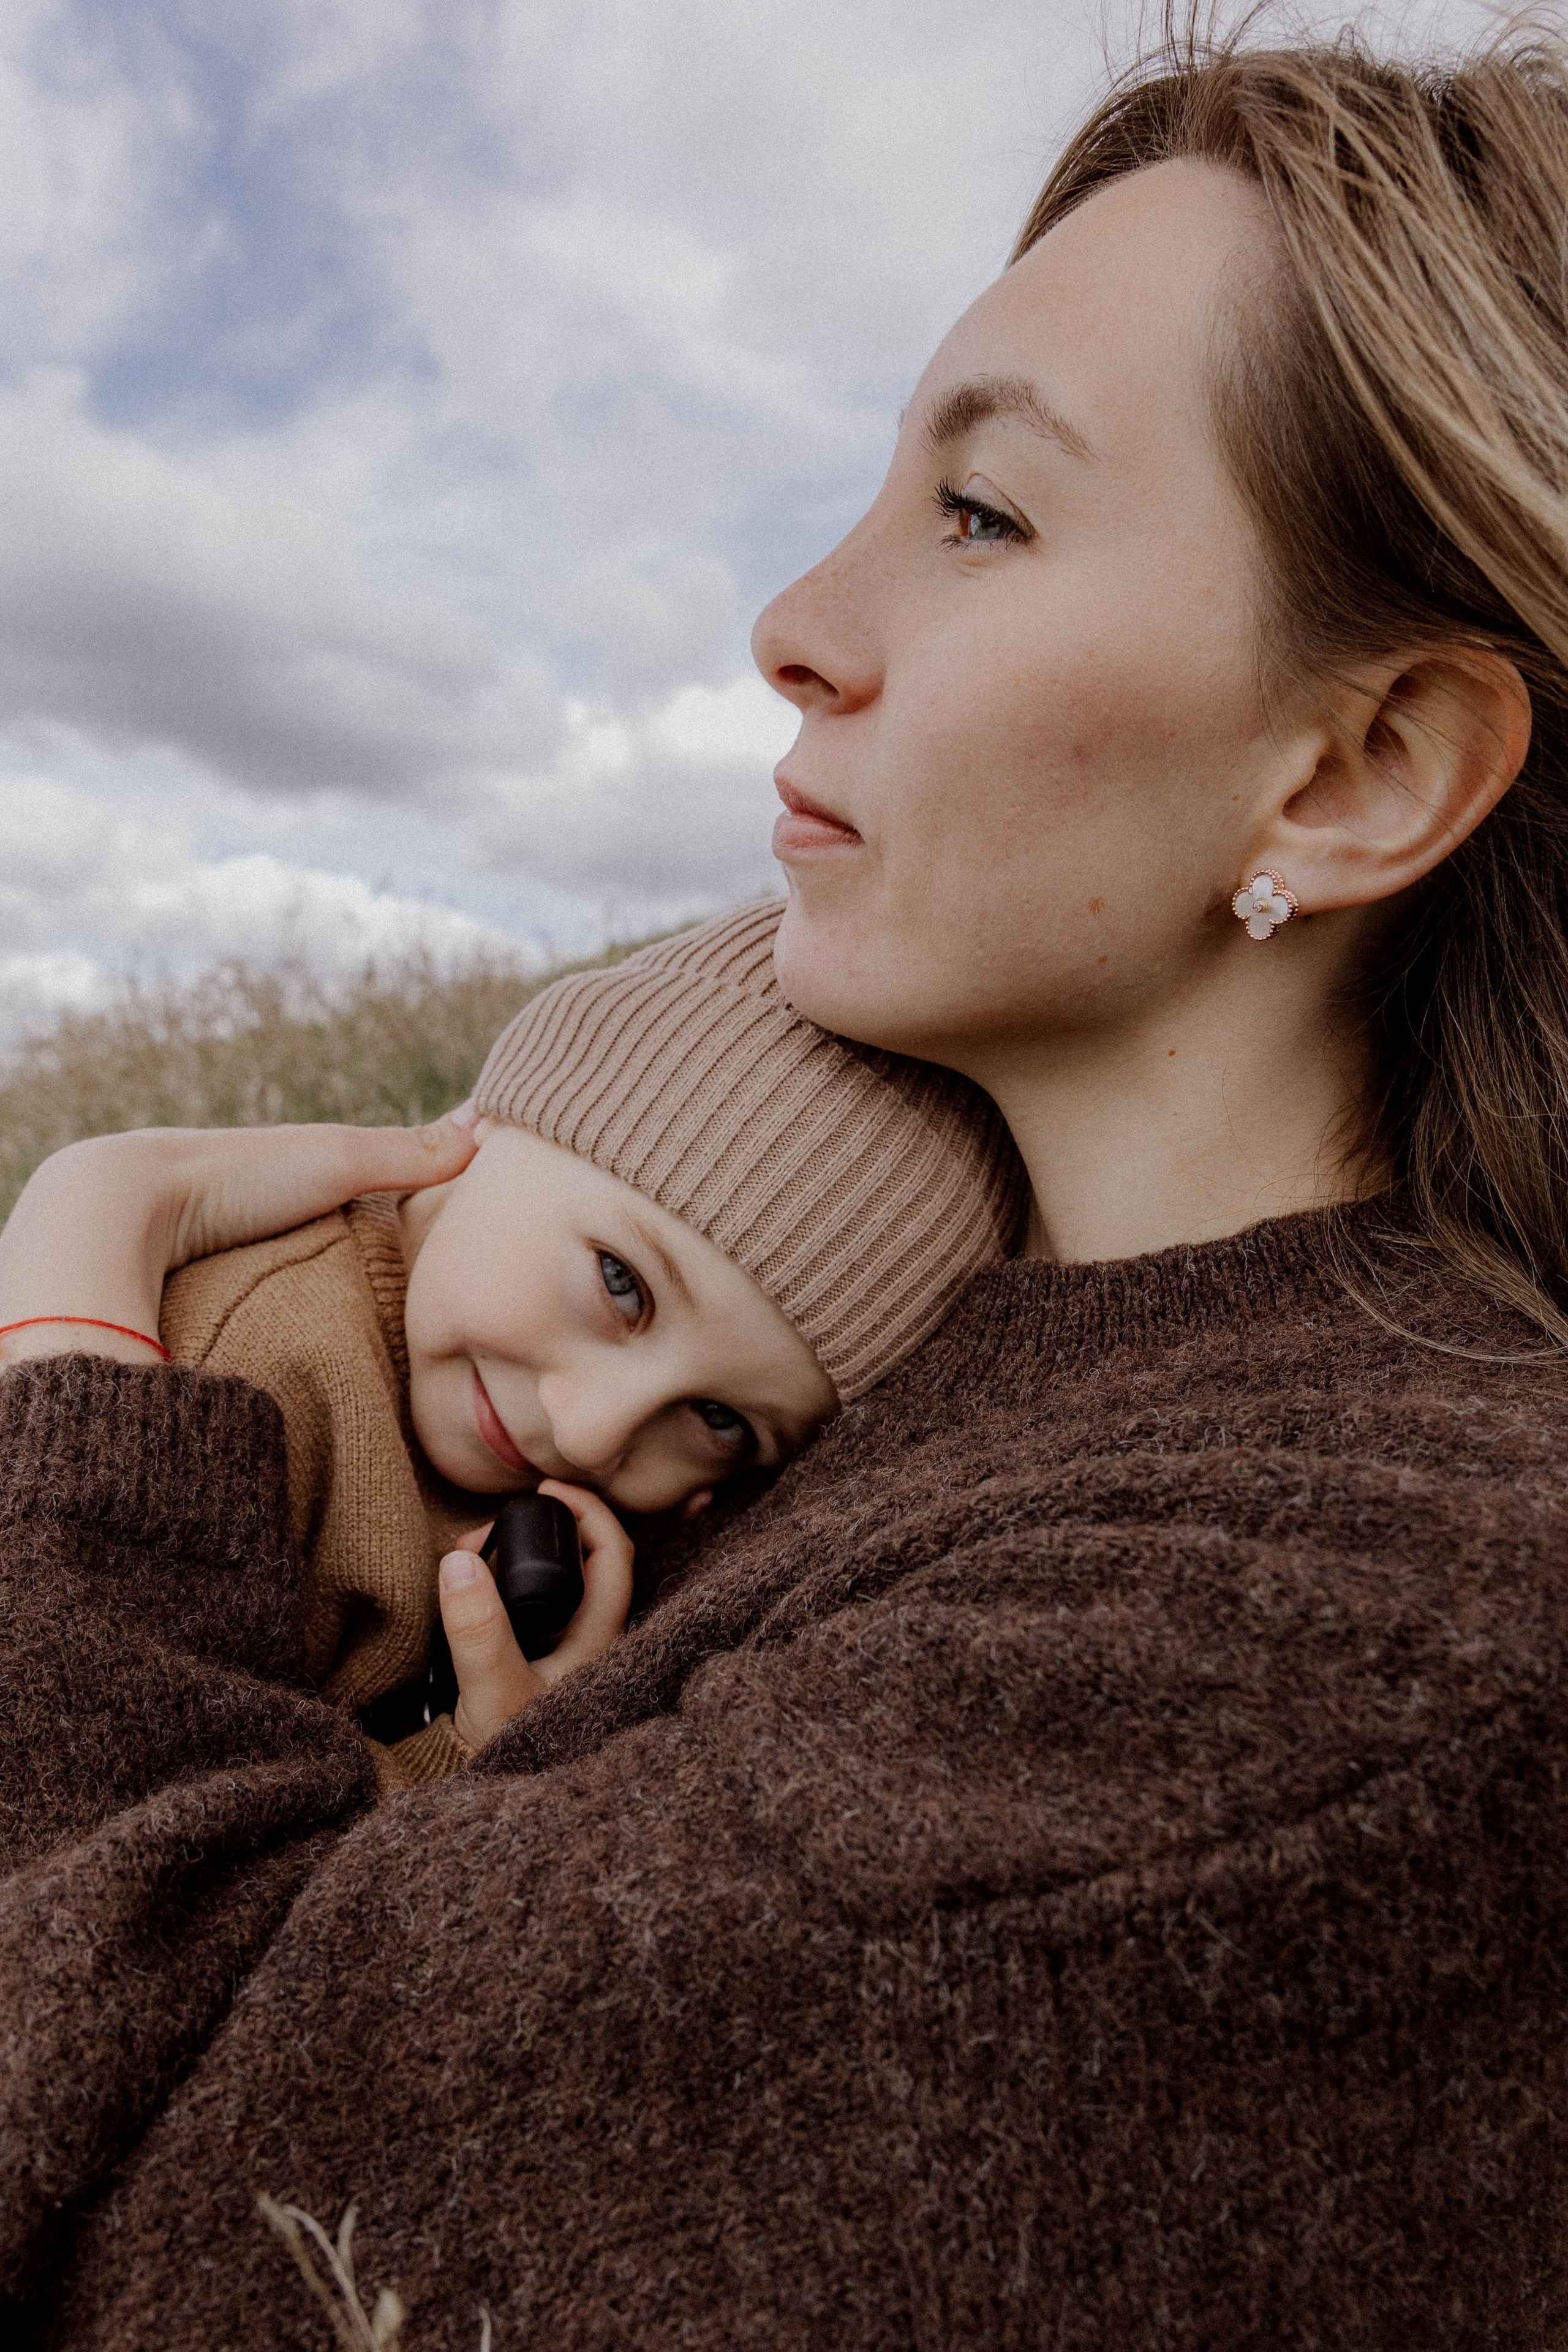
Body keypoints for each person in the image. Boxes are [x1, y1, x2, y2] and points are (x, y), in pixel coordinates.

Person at [6, 18, 1568, 2346]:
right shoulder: (977, 1358)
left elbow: (150, 2202)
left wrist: (73, 1319)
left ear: (1353, 773)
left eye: (983, 513)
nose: (795, 627)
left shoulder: (1349, 1632)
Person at [111, 903, 1020, 1789]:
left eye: (718, 1419)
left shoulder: (618, 1531)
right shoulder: (246, 1374)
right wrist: (470, 1759)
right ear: (502, 1118)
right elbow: (125, 1823)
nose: (591, 1436)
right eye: (621, 1283)